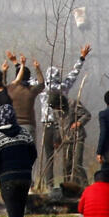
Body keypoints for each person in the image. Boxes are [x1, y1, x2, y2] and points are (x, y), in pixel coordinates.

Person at [39, 44, 89, 188]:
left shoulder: (42, 87)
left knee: (49, 156)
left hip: (48, 125)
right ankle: (71, 184)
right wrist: (81, 58)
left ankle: (49, 184)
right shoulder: (63, 87)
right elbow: (74, 74)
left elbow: (28, 81)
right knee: (69, 159)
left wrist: (18, 65)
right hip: (63, 125)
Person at [4, 54, 45, 146]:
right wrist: (37, 69)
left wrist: (4, 72)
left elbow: (2, 86)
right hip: (29, 126)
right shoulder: (31, 90)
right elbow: (42, 84)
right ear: (29, 77)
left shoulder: (11, 89)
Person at [58, 93, 92, 186]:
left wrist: (79, 122)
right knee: (67, 166)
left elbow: (87, 115)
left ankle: (86, 187)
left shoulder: (73, 103)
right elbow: (58, 126)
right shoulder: (56, 109)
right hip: (66, 140)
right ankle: (68, 187)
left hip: (78, 137)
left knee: (77, 164)